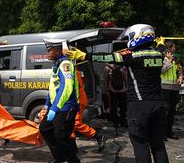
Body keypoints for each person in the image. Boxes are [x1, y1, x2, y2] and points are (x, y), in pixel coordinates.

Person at [66, 24, 169, 163]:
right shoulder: (159, 55)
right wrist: (159, 45)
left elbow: (108, 57)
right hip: (158, 105)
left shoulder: (132, 56)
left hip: (139, 107)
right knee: (158, 146)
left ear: (136, 37)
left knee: (141, 145)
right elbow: (159, 51)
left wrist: (85, 55)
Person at [39, 39, 80, 163]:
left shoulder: (65, 65)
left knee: (61, 137)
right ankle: (59, 156)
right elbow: (53, 88)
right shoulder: (57, 64)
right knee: (44, 128)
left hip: (66, 107)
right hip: (57, 106)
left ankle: (73, 160)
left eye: (49, 50)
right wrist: (47, 104)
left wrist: (55, 108)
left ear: (57, 51)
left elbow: (66, 88)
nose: (47, 53)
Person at [73, 69, 107, 152]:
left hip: (77, 101)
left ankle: (98, 136)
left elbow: (74, 89)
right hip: (75, 101)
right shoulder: (69, 69)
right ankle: (72, 148)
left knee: (76, 123)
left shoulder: (70, 70)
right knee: (69, 124)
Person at [161, 41, 183, 140]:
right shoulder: (163, 59)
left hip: (174, 88)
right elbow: (162, 70)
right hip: (165, 88)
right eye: (173, 47)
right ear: (169, 48)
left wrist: (181, 77)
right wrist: (169, 60)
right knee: (165, 110)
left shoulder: (175, 60)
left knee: (172, 111)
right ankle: (162, 133)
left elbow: (179, 70)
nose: (175, 49)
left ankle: (169, 132)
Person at [103, 63, 128, 127]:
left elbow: (105, 80)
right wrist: (127, 88)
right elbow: (125, 79)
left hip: (112, 90)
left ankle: (115, 122)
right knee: (123, 106)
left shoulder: (107, 68)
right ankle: (123, 121)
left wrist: (106, 90)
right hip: (122, 90)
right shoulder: (123, 67)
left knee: (113, 106)